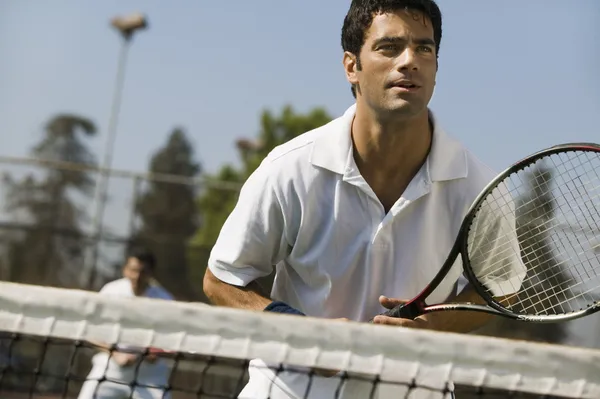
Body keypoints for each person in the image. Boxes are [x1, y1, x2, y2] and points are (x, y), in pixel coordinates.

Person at [203, 0, 523, 398]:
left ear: (437, 67)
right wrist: (298, 331)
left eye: (424, 48)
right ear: (351, 66)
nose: (410, 61)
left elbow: (499, 287)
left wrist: (429, 328)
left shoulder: (480, 186)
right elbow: (221, 280)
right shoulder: (289, 168)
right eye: (389, 47)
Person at [77, 248, 174, 399]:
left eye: (143, 272)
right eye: (133, 270)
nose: (137, 276)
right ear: (125, 270)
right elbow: (90, 332)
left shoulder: (165, 299)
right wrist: (115, 352)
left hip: (150, 377)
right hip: (108, 371)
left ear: (151, 273)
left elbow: (172, 341)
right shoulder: (110, 291)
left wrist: (150, 353)